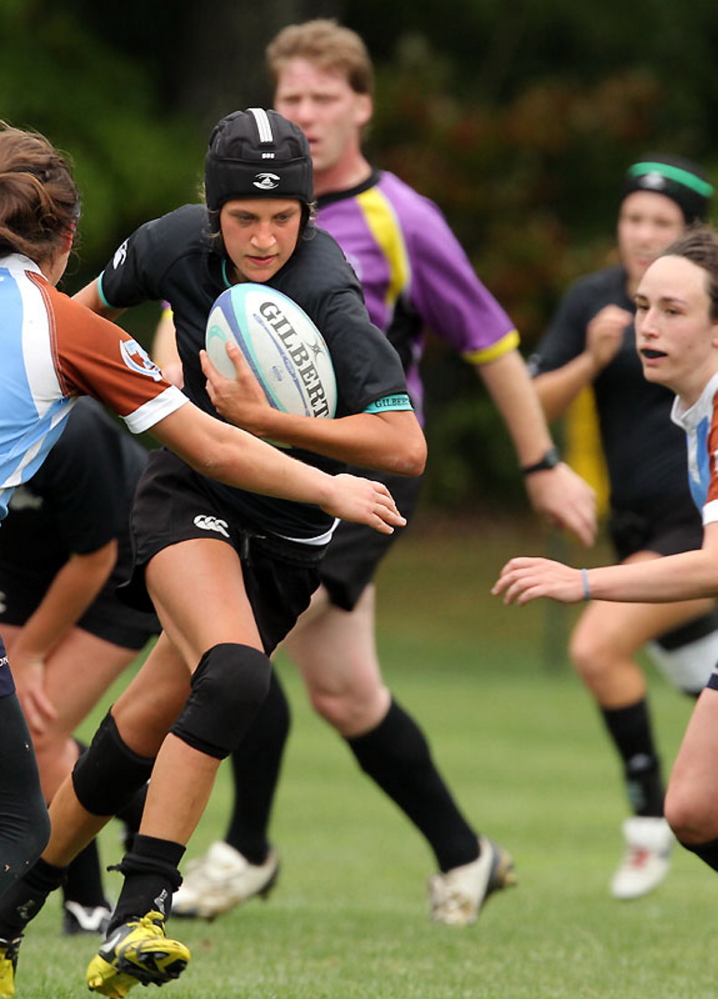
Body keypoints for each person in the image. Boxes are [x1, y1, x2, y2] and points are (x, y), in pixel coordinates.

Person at [0, 119, 404, 999]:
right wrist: (332, 489)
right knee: (8, 821)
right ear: (67, 238)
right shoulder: (60, 325)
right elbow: (213, 447)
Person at [166, 17, 597, 928]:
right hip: (254, 465)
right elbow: (190, 302)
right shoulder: (246, 209)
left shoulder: (402, 218)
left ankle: (244, 846)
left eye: (326, 98)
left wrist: (541, 463)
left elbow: (490, 343)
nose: (309, 114)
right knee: (343, 690)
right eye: (293, 98)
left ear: (361, 105)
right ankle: (463, 852)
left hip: (364, 474)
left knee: (234, 637)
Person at [493, 223, 718, 894]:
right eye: (644, 306)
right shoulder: (694, 411)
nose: (646, 326)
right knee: (693, 808)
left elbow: (712, 566)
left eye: (672, 311)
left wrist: (582, 581)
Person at [0, 397, 158, 936]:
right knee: (0, 721)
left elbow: (96, 556)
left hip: (120, 566)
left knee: (35, 731)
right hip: (26, 557)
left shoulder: (72, 431)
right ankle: (133, 803)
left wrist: (31, 653)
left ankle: (86, 903)